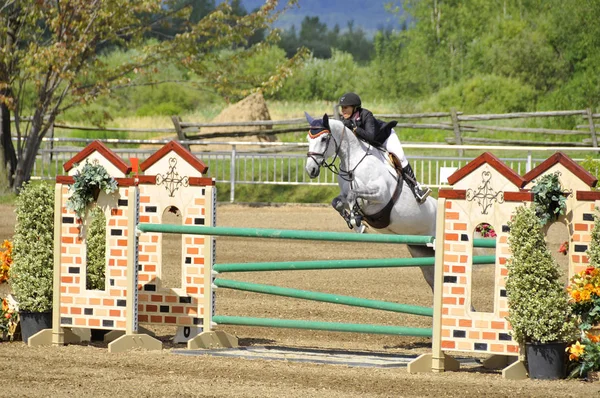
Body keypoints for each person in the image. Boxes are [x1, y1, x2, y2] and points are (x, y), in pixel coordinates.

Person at [337, 92, 431, 204]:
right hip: (371, 145)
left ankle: (417, 189)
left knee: (400, 158)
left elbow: (370, 136)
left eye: (346, 107)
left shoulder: (366, 115)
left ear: (354, 107)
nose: (343, 110)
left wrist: (354, 128)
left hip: (385, 138)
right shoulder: (344, 121)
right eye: (342, 108)